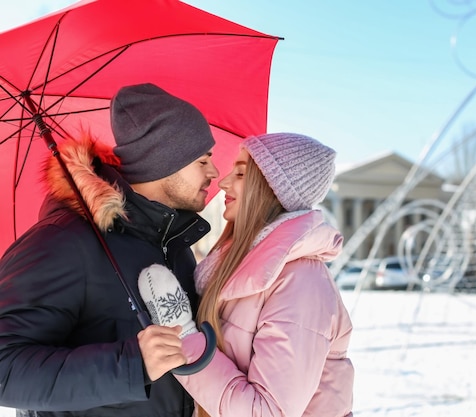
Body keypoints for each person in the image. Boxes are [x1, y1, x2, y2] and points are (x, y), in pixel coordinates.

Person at [0, 83, 219, 417]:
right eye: (202, 160)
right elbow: (5, 369)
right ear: (165, 161)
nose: (214, 173)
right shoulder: (65, 242)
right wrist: (131, 364)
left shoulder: (173, 246)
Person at [139, 132, 355, 416]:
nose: (224, 182)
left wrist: (187, 340)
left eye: (240, 173)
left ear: (272, 189)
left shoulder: (300, 282)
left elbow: (265, 412)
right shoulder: (235, 267)